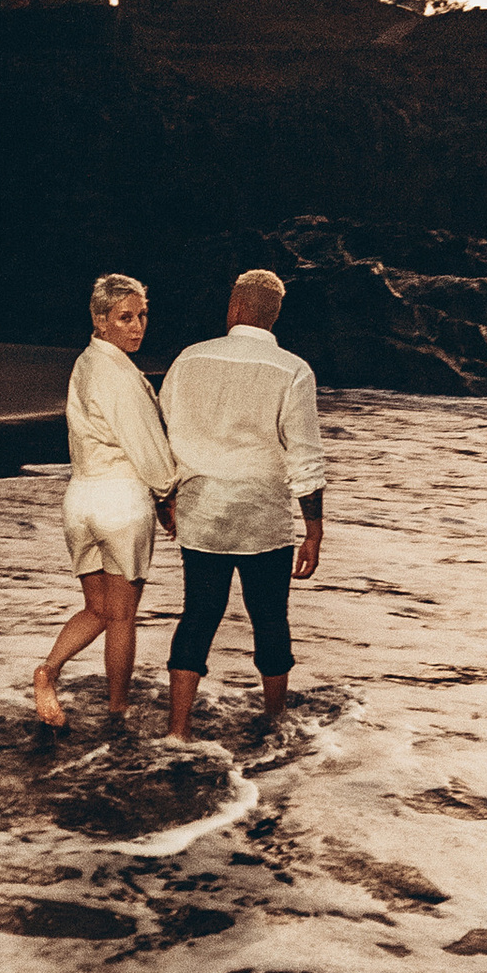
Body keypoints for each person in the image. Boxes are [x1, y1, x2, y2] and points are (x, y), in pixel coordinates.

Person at [159, 266, 325, 735]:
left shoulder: (190, 359)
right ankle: (275, 723)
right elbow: (305, 456)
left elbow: (163, 437)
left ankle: (177, 731)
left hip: (202, 508)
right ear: (273, 317)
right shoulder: (293, 369)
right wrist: (314, 529)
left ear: (234, 308)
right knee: (270, 617)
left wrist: (163, 499)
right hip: (261, 514)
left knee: (198, 614)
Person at [35, 272, 181, 727]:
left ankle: (48, 670)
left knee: (97, 608)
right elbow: (149, 449)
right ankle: (118, 712)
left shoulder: (86, 362)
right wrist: (168, 496)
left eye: (142, 316)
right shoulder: (118, 372)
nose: (136, 327)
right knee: (120, 618)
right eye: (124, 317)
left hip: (80, 499)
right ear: (100, 320)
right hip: (120, 501)